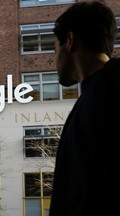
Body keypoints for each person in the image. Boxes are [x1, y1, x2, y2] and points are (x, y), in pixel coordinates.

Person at [49, 1, 120, 216]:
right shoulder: (92, 95)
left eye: (55, 48)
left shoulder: (106, 89)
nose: (56, 60)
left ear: (69, 41)